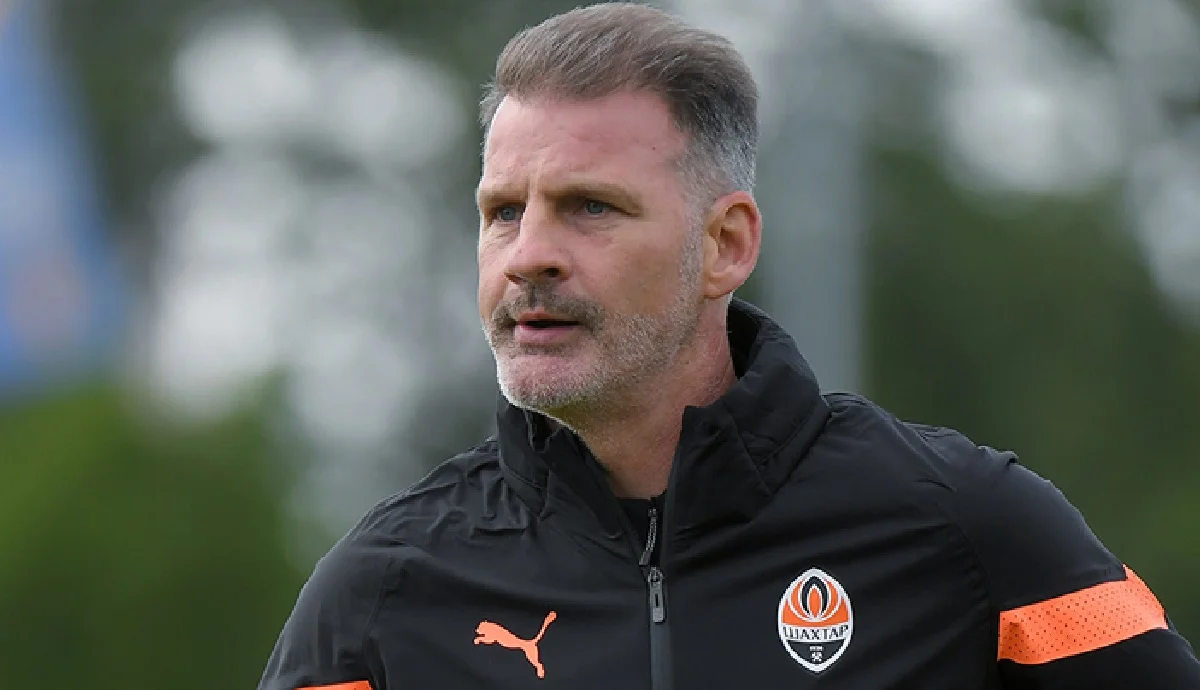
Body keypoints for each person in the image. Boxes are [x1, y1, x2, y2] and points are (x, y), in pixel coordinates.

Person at [257, 4, 1200, 689]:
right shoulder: (382, 591)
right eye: (503, 212)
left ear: (726, 245)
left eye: (591, 207)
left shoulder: (967, 528)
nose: (529, 254)